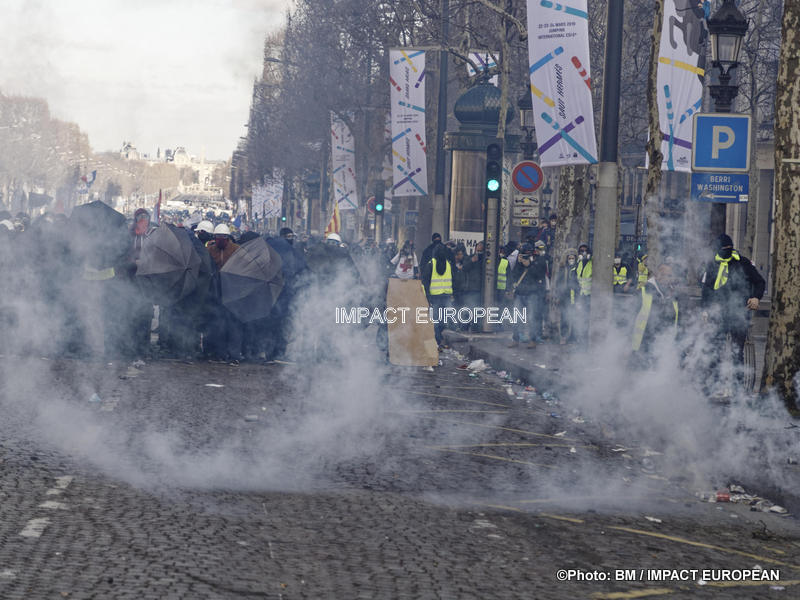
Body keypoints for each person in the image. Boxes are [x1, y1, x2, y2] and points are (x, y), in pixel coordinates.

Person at [700, 234, 765, 391]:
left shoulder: (743, 263)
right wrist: (705, 310)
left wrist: (756, 297)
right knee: (715, 350)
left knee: (737, 353)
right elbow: (707, 290)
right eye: (723, 249)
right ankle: (712, 386)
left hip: (738, 313)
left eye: (728, 248)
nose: (726, 251)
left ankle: (737, 390)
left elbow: (759, 281)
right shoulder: (712, 265)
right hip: (717, 313)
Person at [631, 263, 681, 367]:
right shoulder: (644, 290)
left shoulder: (673, 295)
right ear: (657, 275)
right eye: (663, 274)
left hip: (664, 347)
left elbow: (677, 320)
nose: (666, 278)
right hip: (643, 346)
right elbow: (630, 316)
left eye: (669, 276)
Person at [508, 242, 547, 348]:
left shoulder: (539, 260)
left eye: (528, 253)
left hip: (532, 293)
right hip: (520, 293)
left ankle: (532, 340)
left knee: (532, 317)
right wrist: (520, 263)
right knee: (516, 317)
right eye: (524, 253)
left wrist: (529, 265)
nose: (526, 255)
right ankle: (515, 339)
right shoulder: (519, 260)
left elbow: (539, 275)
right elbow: (514, 275)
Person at [421, 244, 453, 350]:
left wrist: (427, 296)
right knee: (442, 320)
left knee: (436, 320)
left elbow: (425, 281)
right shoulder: (448, 264)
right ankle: (438, 340)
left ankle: (437, 341)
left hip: (435, 296)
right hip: (446, 296)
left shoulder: (431, 264)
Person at [574, 243, 592, 342]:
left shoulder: (592, 262)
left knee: (588, 319)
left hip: (590, 296)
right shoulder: (579, 263)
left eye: (585, 251)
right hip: (580, 295)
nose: (583, 253)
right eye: (581, 251)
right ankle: (580, 340)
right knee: (580, 318)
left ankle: (585, 340)